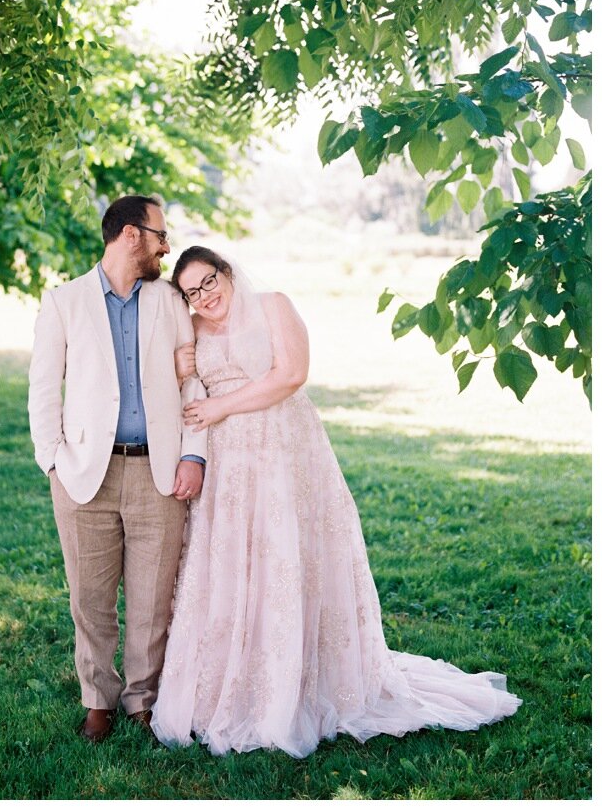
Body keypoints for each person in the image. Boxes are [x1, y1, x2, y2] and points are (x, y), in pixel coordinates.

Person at [153, 246, 521, 757]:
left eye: (209, 281)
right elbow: (183, 383)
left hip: (284, 448)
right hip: (231, 461)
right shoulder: (193, 328)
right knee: (236, 560)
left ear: (228, 272)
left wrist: (220, 406)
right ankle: (230, 685)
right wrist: (181, 370)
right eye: (193, 290)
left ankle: (296, 684)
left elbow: (291, 375)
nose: (204, 296)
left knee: (286, 556)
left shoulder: (274, 305)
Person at [27, 195, 207, 743]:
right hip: (85, 474)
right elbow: (42, 387)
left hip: (160, 471)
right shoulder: (63, 302)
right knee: (90, 597)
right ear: (131, 235)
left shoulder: (169, 303)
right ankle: (96, 701)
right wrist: (53, 460)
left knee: (153, 599)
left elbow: (190, 382)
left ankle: (142, 700)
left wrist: (193, 453)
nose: (166, 246)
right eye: (159, 234)